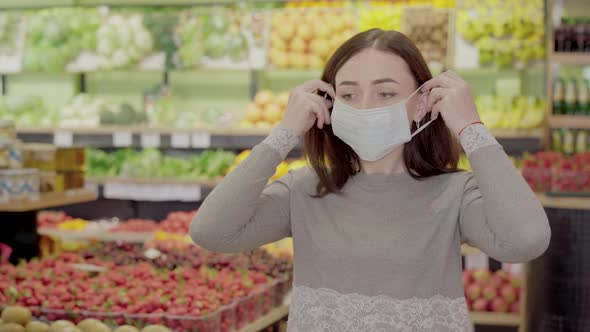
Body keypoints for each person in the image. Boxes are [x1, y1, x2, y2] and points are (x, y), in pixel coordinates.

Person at [190, 29, 551, 331]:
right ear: (330, 106)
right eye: (348, 94)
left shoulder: (455, 192)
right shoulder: (303, 190)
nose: (364, 107)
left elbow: (526, 240)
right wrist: (283, 134)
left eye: (386, 93)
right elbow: (210, 231)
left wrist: (471, 128)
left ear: (423, 102)